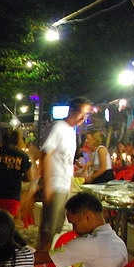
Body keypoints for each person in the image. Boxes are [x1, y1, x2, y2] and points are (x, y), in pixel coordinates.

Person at [38, 97, 91, 252]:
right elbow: (46, 154)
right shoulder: (58, 127)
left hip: (64, 186)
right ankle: (41, 260)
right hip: (54, 185)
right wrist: (47, 184)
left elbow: (65, 161)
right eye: (82, 113)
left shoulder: (72, 132)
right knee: (48, 229)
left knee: (57, 228)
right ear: (72, 111)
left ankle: (50, 259)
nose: (84, 118)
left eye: (86, 114)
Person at [0, 129, 32, 216]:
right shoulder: (23, 156)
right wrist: (16, 175)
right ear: (18, 140)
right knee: (8, 221)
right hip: (12, 196)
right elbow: (29, 177)